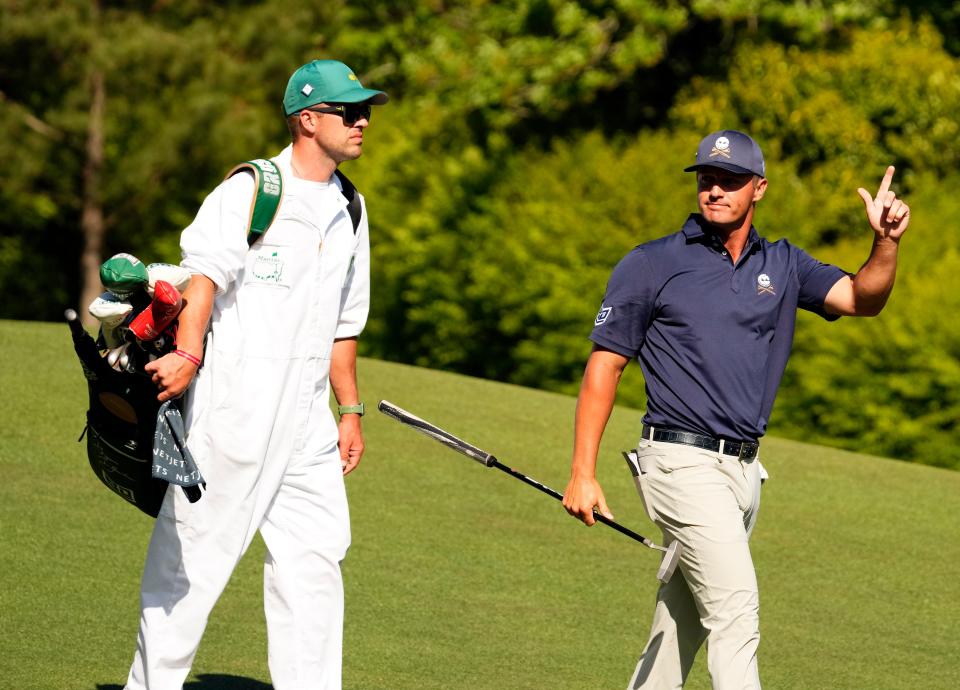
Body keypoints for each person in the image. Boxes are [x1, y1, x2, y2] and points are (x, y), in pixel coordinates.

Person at [561, 130, 909, 689]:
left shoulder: (784, 263)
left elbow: (861, 298)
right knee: (736, 610)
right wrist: (582, 472)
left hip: (744, 475)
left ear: (759, 188)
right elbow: (605, 365)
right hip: (679, 465)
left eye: (730, 180)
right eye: (706, 179)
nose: (715, 189)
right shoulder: (651, 264)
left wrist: (886, 242)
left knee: (684, 624)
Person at [124, 59, 388, 690]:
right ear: (307, 118)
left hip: (309, 421)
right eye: (348, 111)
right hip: (235, 407)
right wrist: (187, 357)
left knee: (316, 560)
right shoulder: (251, 189)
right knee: (193, 560)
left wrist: (348, 411)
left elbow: (344, 324)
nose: (363, 121)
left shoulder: (351, 207)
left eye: (364, 110)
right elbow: (202, 279)